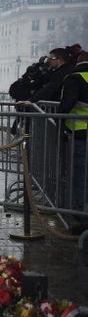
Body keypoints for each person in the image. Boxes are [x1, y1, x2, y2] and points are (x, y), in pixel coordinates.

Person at [59, 50, 88, 233]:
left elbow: (67, 104)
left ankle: (79, 213)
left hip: (79, 131)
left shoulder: (75, 78)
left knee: (80, 173)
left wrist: (57, 119)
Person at [9, 65, 42, 135]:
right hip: (23, 103)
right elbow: (15, 91)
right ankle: (24, 133)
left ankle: (15, 131)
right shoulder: (24, 82)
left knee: (21, 117)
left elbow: (12, 90)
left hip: (22, 102)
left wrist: (15, 97)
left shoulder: (21, 81)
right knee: (25, 118)